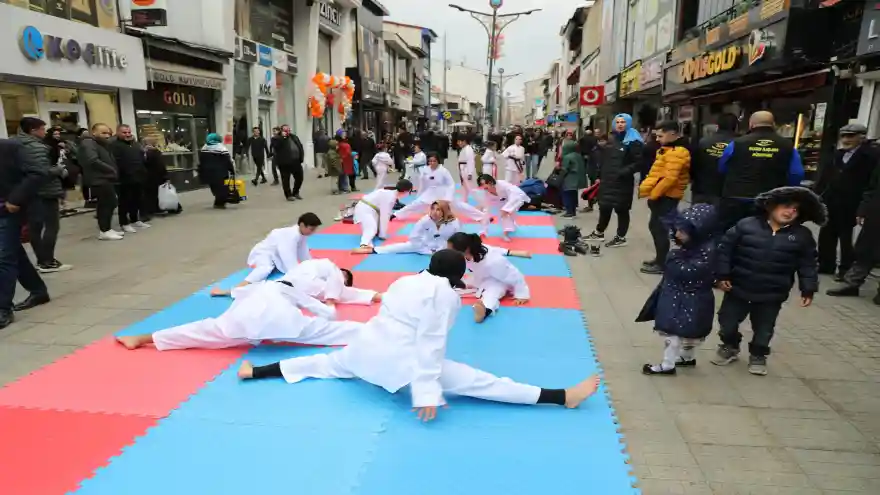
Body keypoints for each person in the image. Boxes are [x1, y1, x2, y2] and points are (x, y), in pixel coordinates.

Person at [237, 250, 601, 421]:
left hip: (364, 351)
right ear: (457, 275)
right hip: (401, 364)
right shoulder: (444, 295)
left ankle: (256, 372)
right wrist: (426, 392)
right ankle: (561, 397)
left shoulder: (404, 280)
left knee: (325, 363)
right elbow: (430, 346)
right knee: (482, 381)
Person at [712, 187, 823, 376]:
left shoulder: (802, 236)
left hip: (772, 292)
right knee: (727, 321)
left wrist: (808, 289)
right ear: (771, 206)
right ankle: (730, 345)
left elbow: (808, 264)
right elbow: (725, 250)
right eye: (786, 206)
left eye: (795, 210)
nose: (790, 212)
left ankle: (758, 354)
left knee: (764, 328)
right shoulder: (746, 225)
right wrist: (722, 275)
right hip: (738, 287)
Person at [119, 276, 369, 352]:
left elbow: (235, 296)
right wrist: (332, 306)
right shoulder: (291, 291)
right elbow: (326, 315)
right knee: (335, 330)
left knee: (198, 331)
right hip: (285, 325)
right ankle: (385, 329)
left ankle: (142, 338)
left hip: (239, 324)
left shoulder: (261, 286)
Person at [640, 204, 718, 375]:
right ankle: (687, 357)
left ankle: (668, 365)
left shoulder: (706, 252)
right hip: (685, 297)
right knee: (689, 332)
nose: (677, 234)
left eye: (682, 231)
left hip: (685, 298)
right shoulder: (699, 247)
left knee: (673, 333)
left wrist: (673, 259)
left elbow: (690, 271)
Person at [717, 111, 805, 233]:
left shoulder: (736, 144)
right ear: (773, 124)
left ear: (751, 124)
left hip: (736, 198)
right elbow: (797, 173)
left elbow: (722, 167)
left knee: (731, 234)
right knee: (765, 235)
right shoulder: (787, 146)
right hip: (770, 201)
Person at [814, 123, 878, 279]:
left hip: (853, 201)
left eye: (850, 136)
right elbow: (825, 177)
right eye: (843, 136)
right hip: (832, 199)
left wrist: (865, 205)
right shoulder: (837, 154)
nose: (846, 139)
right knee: (827, 233)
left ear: (861, 138)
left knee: (846, 236)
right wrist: (817, 195)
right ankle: (826, 264)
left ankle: (845, 269)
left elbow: (872, 181)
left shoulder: (870, 155)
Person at [0, 137, 51, 328]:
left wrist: (15, 199)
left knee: (4, 257)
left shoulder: (10, 147)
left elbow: (37, 173)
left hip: (9, 210)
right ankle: (38, 291)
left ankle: (2, 308)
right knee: (13, 253)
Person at [14, 118, 69, 272]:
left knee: (35, 227)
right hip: (45, 190)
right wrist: (59, 170)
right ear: (33, 130)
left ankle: (42, 260)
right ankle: (47, 261)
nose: (45, 132)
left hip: (29, 191)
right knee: (51, 226)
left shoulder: (17, 143)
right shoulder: (34, 147)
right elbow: (40, 172)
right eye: (42, 129)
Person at [638, 121, 692, 275]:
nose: (657, 139)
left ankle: (662, 263)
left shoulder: (678, 151)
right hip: (663, 196)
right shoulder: (667, 149)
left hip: (667, 196)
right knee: (657, 227)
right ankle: (660, 259)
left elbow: (670, 178)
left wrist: (654, 195)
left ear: (673, 134)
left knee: (659, 228)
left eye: (660, 135)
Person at [210, 258, 378, 306]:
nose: (341, 274)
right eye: (342, 272)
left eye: (344, 276)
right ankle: (227, 292)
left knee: (264, 293)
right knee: (262, 289)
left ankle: (230, 292)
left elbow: (354, 293)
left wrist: (377, 296)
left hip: (298, 291)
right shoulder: (322, 266)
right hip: (289, 282)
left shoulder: (336, 283)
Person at [585, 114, 644, 248]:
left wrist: (623, 172)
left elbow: (639, 163)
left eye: (623, 122)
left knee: (621, 209)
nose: (620, 124)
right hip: (607, 181)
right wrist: (599, 175)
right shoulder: (612, 139)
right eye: (617, 122)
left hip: (622, 183)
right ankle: (599, 232)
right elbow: (605, 159)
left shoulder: (634, 141)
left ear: (628, 123)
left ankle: (621, 237)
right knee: (604, 206)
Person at [825, 158, 880, 303]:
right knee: (865, 250)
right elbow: (872, 186)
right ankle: (852, 284)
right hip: (877, 211)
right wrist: (863, 209)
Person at [447, 232, 530, 323]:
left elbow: (514, 275)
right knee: (453, 285)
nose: (448, 252)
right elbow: (495, 249)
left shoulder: (493, 262)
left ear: (465, 249)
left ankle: (485, 310)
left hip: (497, 280)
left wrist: (522, 294)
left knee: (491, 293)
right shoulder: (474, 248)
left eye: (451, 250)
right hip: (479, 277)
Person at [235, 212, 321, 287]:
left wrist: (311, 268)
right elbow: (288, 259)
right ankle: (240, 286)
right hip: (263, 253)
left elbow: (303, 253)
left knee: (303, 269)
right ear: (302, 225)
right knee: (265, 268)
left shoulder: (301, 235)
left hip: (276, 255)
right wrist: (299, 275)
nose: (313, 232)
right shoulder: (290, 236)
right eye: (311, 229)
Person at [394, 152, 484, 221]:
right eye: (430, 161)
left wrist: (448, 197)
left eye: (434, 161)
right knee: (415, 204)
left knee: (460, 206)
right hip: (430, 192)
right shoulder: (425, 170)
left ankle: (481, 216)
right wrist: (420, 194)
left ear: (438, 161)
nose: (432, 163)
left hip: (443, 193)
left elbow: (451, 184)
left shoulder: (443, 171)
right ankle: (396, 215)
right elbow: (423, 184)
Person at [353, 200, 461, 255]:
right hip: (423, 245)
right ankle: (373, 250)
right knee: (402, 247)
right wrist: (424, 247)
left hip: (445, 248)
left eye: (438, 209)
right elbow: (414, 236)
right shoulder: (425, 220)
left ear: (445, 211)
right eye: (433, 209)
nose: (434, 212)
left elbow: (457, 239)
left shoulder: (453, 222)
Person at [78, 123, 121, 240]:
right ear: (94, 133)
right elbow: (93, 160)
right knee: (107, 204)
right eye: (103, 133)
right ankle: (104, 230)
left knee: (110, 203)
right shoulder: (88, 143)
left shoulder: (101, 144)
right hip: (99, 179)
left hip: (105, 178)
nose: (107, 135)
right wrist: (111, 169)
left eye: (108, 133)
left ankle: (107, 228)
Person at [109, 125, 150, 233]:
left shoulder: (135, 144)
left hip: (138, 177)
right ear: (118, 133)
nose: (127, 134)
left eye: (129, 132)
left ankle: (135, 220)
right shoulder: (114, 146)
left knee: (137, 200)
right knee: (124, 202)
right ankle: (124, 223)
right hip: (124, 179)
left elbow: (141, 158)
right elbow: (115, 162)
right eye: (124, 132)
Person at [692, 113, 738, 206]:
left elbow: (694, 165)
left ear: (717, 126)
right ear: (736, 126)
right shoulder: (740, 143)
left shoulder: (703, 142)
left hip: (702, 189)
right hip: (727, 191)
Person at [353, 179, 414, 248]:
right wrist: (383, 235)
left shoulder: (390, 194)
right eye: (409, 191)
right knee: (371, 229)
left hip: (371, 210)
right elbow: (384, 216)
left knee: (373, 229)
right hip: (364, 210)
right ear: (406, 191)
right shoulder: (390, 197)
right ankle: (364, 244)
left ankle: (368, 243)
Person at [477, 174, 530, 241]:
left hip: (511, 199)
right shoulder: (486, 193)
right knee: (499, 215)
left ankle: (511, 224)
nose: (484, 186)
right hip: (499, 202)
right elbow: (487, 209)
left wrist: (508, 208)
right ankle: (503, 234)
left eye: (485, 184)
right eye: (481, 184)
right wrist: (483, 230)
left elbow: (515, 193)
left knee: (510, 214)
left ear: (491, 182)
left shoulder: (502, 184)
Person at [197, 133, 235, 209]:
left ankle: (218, 201)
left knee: (214, 187)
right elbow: (227, 161)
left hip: (207, 172)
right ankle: (220, 202)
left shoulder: (204, 147)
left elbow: (201, 160)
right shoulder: (221, 148)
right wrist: (232, 170)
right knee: (221, 188)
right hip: (220, 172)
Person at [271, 125, 306, 201]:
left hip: (296, 161)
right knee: (286, 179)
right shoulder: (276, 138)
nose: (288, 132)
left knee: (300, 177)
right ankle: (288, 195)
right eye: (286, 130)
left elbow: (300, 146)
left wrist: (301, 157)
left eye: (289, 130)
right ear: (281, 130)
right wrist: (282, 137)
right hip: (284, 163)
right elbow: (275, 146)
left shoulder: (294, 137)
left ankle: (295, 192)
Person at [142, 135, 169, 217]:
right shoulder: (152, 151)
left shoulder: (145, 151)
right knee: (154, 193)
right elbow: (160, 165)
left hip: (149, 176)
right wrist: (165, 175)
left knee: (151, 194)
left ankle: (151, 209)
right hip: (155, 176)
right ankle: (154, 209)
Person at [559, 140, 586, 219]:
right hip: (577, 178)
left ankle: (569, 212)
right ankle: (573, 211)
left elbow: (565, 169)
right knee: (574, 195)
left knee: (567, 195)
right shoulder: (578, 155)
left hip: (569, 178)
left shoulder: (567, 157)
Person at [457, 135, 478, 202]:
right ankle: (464, 202)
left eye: (460, 141)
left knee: (471, 188)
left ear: (464, 141)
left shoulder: (468, 149)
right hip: (463, 169)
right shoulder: (464, 149)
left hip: (466, 170)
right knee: (465, 187)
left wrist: (470, 173)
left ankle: (479, 203)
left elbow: (470, 161)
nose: (458, 143)